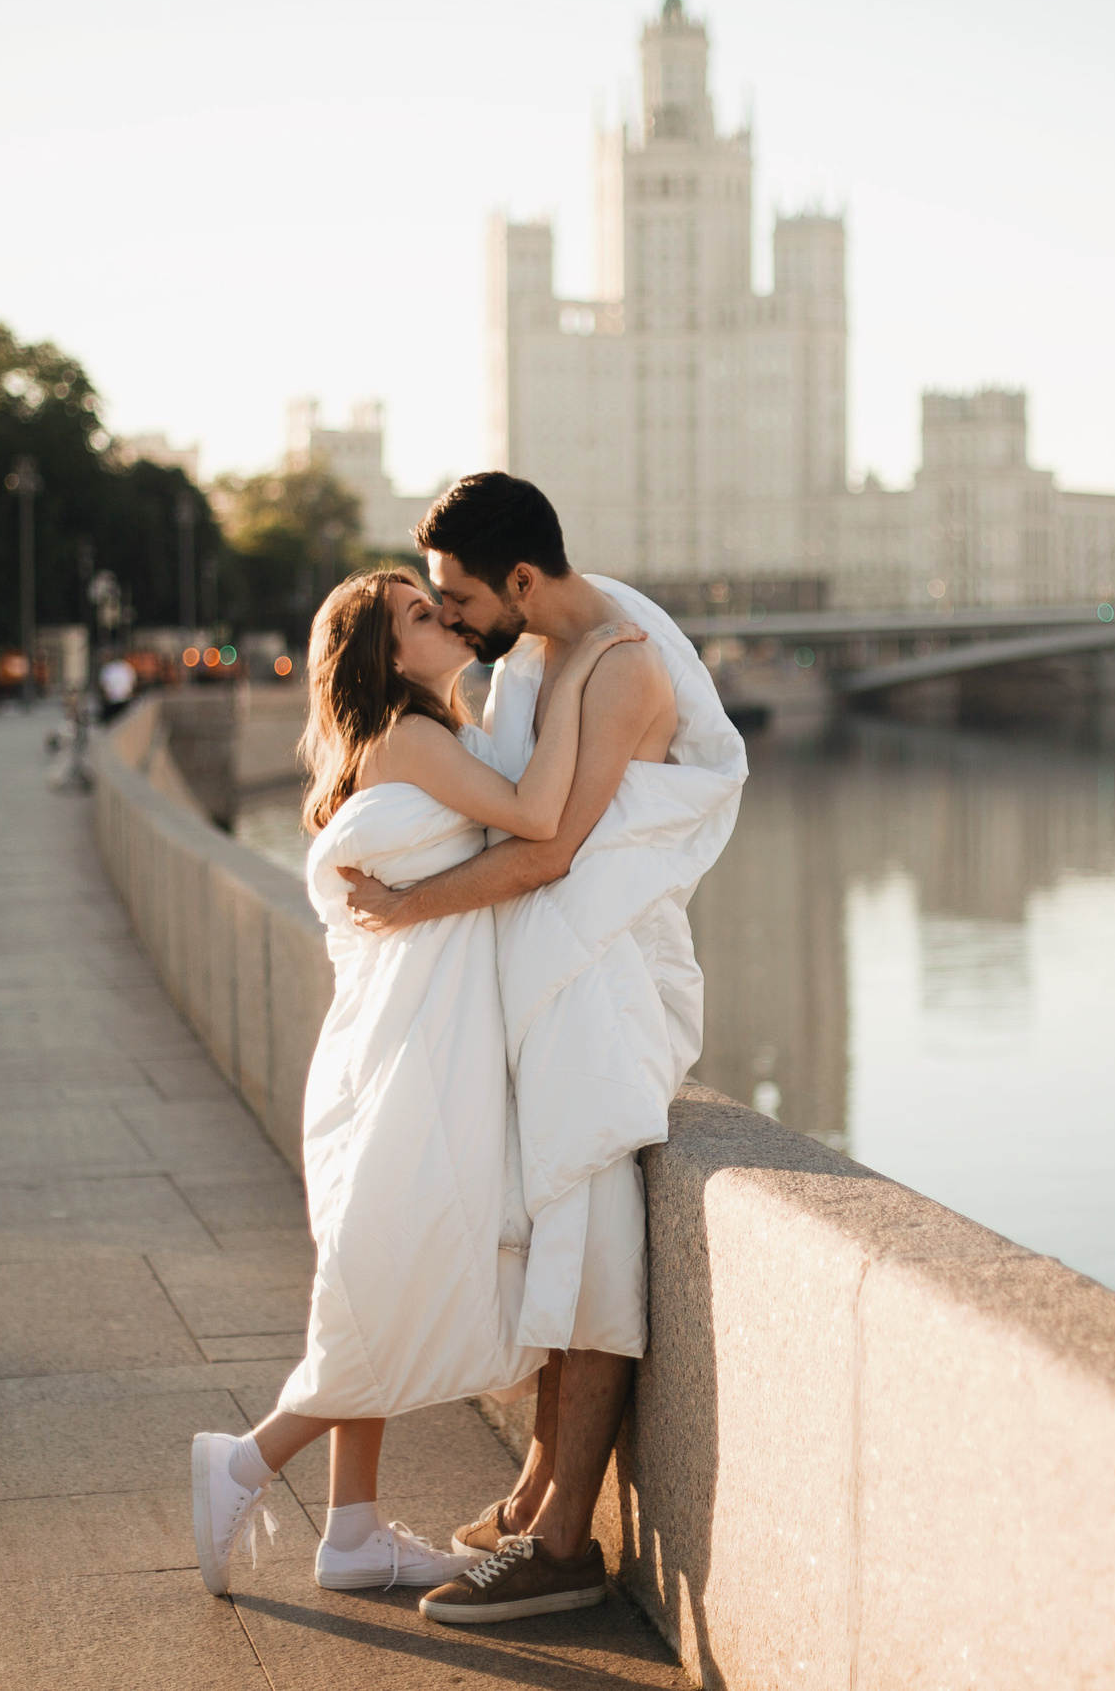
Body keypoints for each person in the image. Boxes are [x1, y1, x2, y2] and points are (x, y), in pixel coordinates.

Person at [188, 568, 643, 1598]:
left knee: (372, 1278)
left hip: (398, 1041)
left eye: (438, 606)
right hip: (406, 1053)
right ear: (388, 656)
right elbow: (536, 815)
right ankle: (246, 1459)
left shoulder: (414, 737)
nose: (443, 620)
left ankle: (351, 1530)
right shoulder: (411, 738)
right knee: (386, 1280)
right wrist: (581, 675)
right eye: (420, 614)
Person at [339, 473, 746, 1625]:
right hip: (554, 986)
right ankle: (538, 1502)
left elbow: (550, 851)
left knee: (590, 1236)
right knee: (558, 1236)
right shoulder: (530, 661)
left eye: (459, 595)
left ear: (521, 580)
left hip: (601, 983)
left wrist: (406, 908)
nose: (453, 616)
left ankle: (566, 1543)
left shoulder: (618, 668)